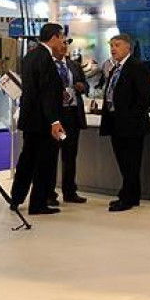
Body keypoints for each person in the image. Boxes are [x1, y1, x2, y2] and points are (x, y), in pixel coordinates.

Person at [9, 23, 68, 216]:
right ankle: (38, 203)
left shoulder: (30, 56)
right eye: (61, 37)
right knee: (44, 163)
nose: (63, 41)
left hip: (30, 119)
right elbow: (46, 92)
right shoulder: (45, 58)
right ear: (54, 37)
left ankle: (16, 198)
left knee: (27, 160)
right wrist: (54, 121)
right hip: (43, 121)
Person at [99, 33, 150, 213]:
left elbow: (144, 96)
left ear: (128, 47)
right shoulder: (115, 69)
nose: (113, 49)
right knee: (123, 162)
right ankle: (130, 195)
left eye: (117, 45)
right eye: (111, 45)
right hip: (115, 123)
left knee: (131, 163)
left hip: (131, 125)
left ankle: (127, 198)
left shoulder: (137, 67)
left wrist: (131, 117)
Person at [47, 42, 88, 206]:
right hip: (57, 117)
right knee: (52, 155)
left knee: (70, 155)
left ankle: (70, 191)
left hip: (72, 116)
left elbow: (86, 86)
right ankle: (49, 193)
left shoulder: (73, 65)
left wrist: (82, 87)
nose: (64, 47)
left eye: (65, 44)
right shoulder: (48, 65)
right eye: (60, 44)